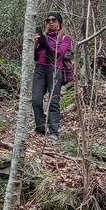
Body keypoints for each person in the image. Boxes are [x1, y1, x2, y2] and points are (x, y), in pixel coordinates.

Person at [32, 11, 73, 139]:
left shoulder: (65, 38)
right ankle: (40, 127)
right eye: (48, 20)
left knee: (53, 101)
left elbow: (59, 54)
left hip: (55, 70)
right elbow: (35, 57)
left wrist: (46, 45)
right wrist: (36, 45)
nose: (51, 22)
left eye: (53, 20)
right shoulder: (42, 36)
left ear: (59, 22)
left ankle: (54, 130)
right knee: (36, 99)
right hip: (39, 69)